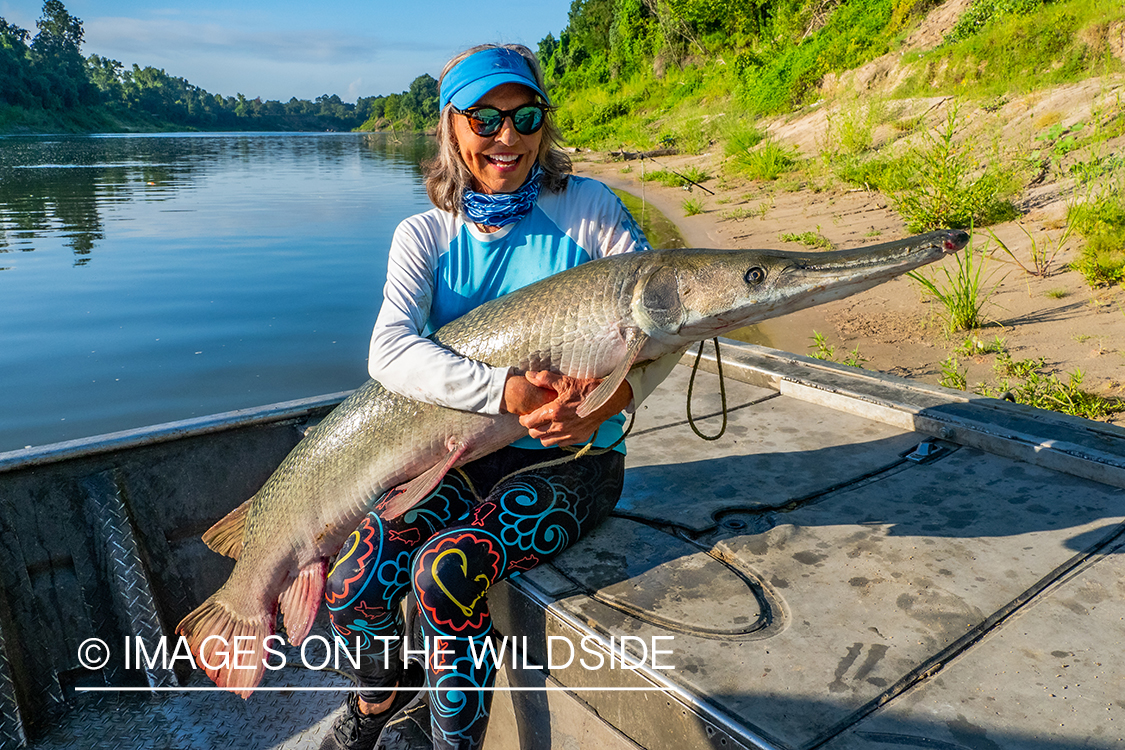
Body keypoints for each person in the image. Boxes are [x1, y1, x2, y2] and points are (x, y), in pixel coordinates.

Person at [318, 43, 677, 750]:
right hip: (463, 464)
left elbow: (665, 328)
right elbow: (389, 352)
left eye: (524, 116)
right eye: (483, 119)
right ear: (450, 128)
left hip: (573, 465)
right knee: (353, 583)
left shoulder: (589, 209)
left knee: (444, 572)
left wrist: (613, 402)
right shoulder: (423, 234)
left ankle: (452, 743)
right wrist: (506, 389)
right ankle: (380, 703)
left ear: (544, 124)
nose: (505, 137)